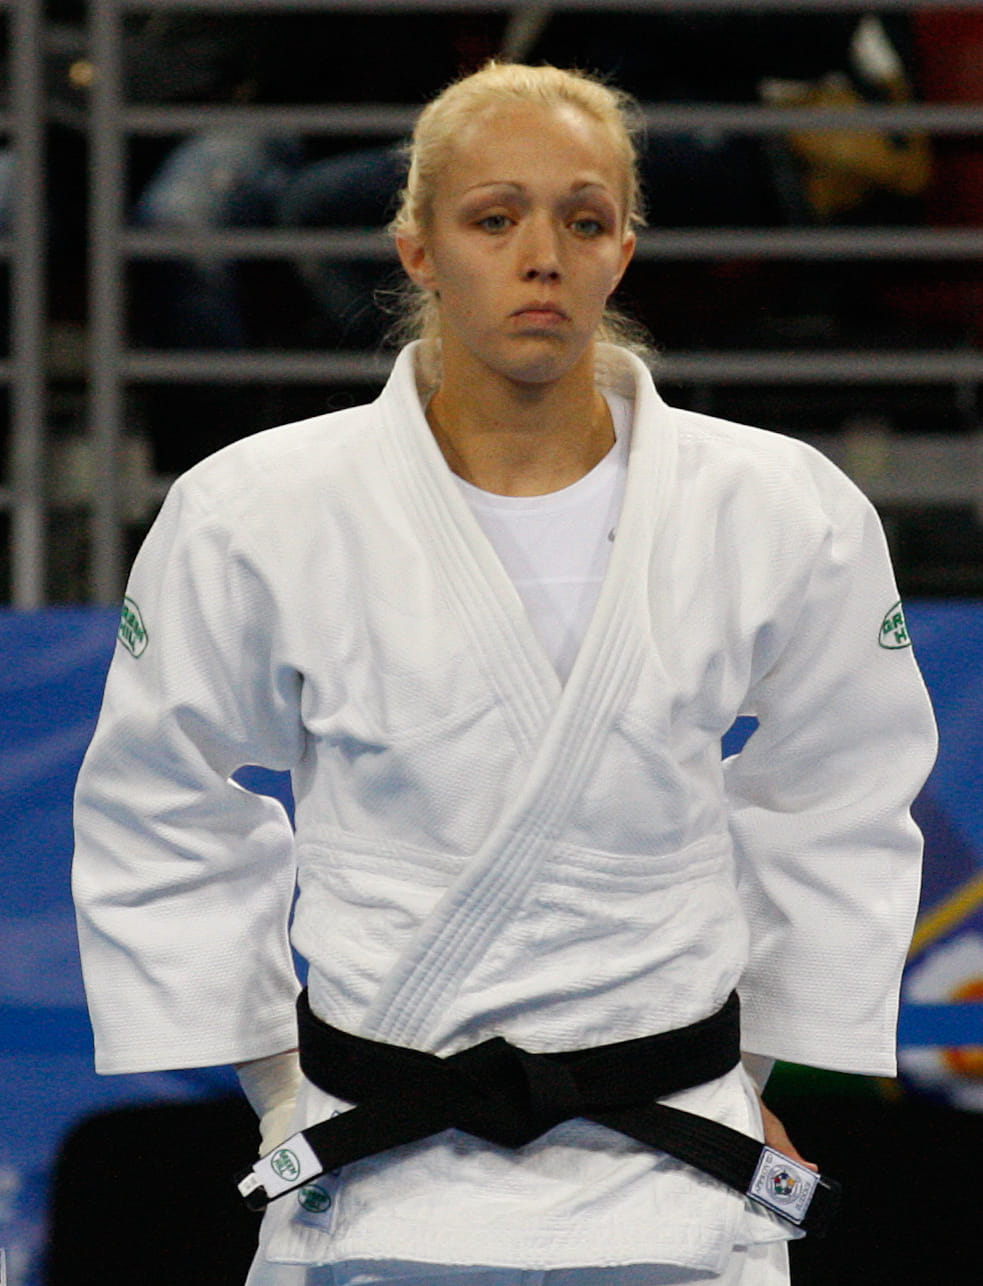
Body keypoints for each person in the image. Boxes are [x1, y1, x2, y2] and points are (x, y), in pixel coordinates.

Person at [72, 62, 937, 1285]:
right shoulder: (255, 508)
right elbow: (161, 798)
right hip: (375, 1180)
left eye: (582, 220)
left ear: (622, 251)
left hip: (675, 1182)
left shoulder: (779, 504)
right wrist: (278, 1089)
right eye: (493, 218)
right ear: (416, 249)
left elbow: (840, 792)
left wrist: (743, 1080)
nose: (542, 257)